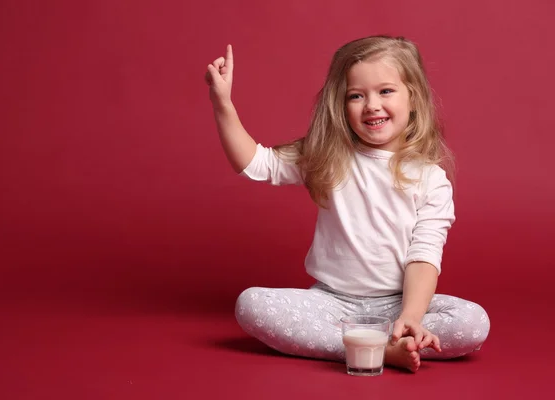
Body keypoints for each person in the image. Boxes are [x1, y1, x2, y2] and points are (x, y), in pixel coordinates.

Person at [204, 35, 490, 373]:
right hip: (329, 304)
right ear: (341, 105)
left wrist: (411, 318)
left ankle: (386, 340)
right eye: (356, 95)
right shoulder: (329, 156)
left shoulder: (431, 179)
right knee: (250, 304)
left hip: (397, 306)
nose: (371, 105)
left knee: (472, 322)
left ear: (413, 97)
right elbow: (255, 163)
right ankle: (381, 351)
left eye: (386, 91)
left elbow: (424, 255)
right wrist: (223, 103)